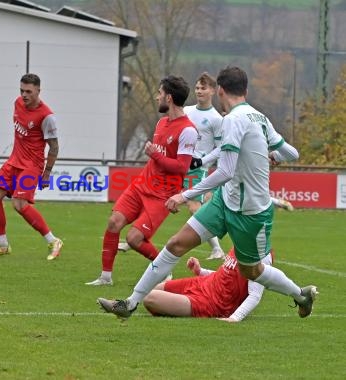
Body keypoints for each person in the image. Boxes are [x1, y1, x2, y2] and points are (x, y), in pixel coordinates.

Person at [98, 66, 317, 320]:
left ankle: (301, 295)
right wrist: (274, 155)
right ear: (245, 90)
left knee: (252, 271)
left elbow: (225, 170)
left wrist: (185, 195)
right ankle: (130, 303)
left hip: (251, 212)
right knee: (175, 244)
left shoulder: (233, 119)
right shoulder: (260, 117)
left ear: (220, 91)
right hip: (226, 201)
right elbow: (292, 153)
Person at [86, 75, 197, 286]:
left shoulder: (188, 130)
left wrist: (155, 155)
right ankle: (105, 277)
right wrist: (156, 156)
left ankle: (162, 270)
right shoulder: (162, 122)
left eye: (160, 93)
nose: (157, 97)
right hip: (141, 185)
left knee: (133, 239)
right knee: (113, 222)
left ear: (169, 98)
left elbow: (181, 167)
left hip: (162, 195)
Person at [0, 73, 63, 260]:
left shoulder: (47, 117)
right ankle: (3, 246)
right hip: (13, 161)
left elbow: (54, 147)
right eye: (22, 90)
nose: (24, 95)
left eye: (28, 91)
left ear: (38, 91)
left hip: (32, 165)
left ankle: (53, 241)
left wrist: (46, 174)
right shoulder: (17, 103)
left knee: (19, 204)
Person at [143, 247, 272, 322]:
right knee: (151, 289)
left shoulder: (261, 253)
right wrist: (201, 271)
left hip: (213, 302)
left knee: (150, 298)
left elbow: (255, 294)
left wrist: (235, 317)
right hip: (204, 283)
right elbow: (226, 275)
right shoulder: (241, 239)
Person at [183, 72, 225, 260]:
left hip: (196, 169)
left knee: (194, 207)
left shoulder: (216, 119)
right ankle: (134, 238)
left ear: (213, 91)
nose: (199, 91)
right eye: (197, 87)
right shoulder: (186, 111)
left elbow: (220, 148)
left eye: (203, 88)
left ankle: (217, 248)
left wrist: (201, 161)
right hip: (179, 165)